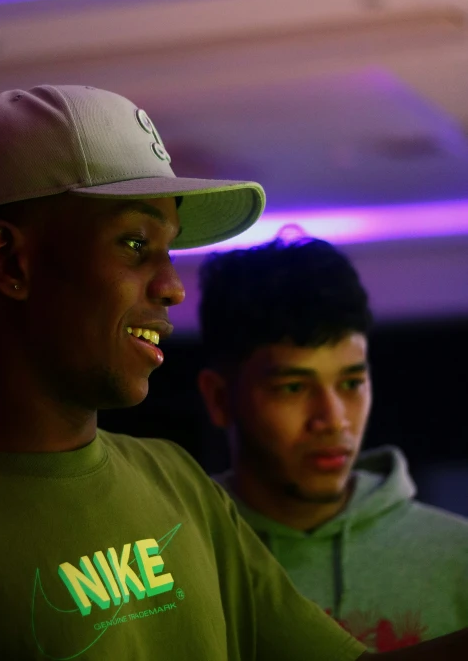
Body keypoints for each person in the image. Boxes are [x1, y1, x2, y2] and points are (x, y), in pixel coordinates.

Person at [0, 85, 465, 661]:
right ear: (8, 261)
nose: (172, 287)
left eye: (170, 252)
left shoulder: (175, 480)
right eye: (136, 243)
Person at [197, 236, 468, 655]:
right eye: (293, 387)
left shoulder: (459, 557)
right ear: (219, 399)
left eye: (351, 383)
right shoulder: (176, 560)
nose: (334, 418)